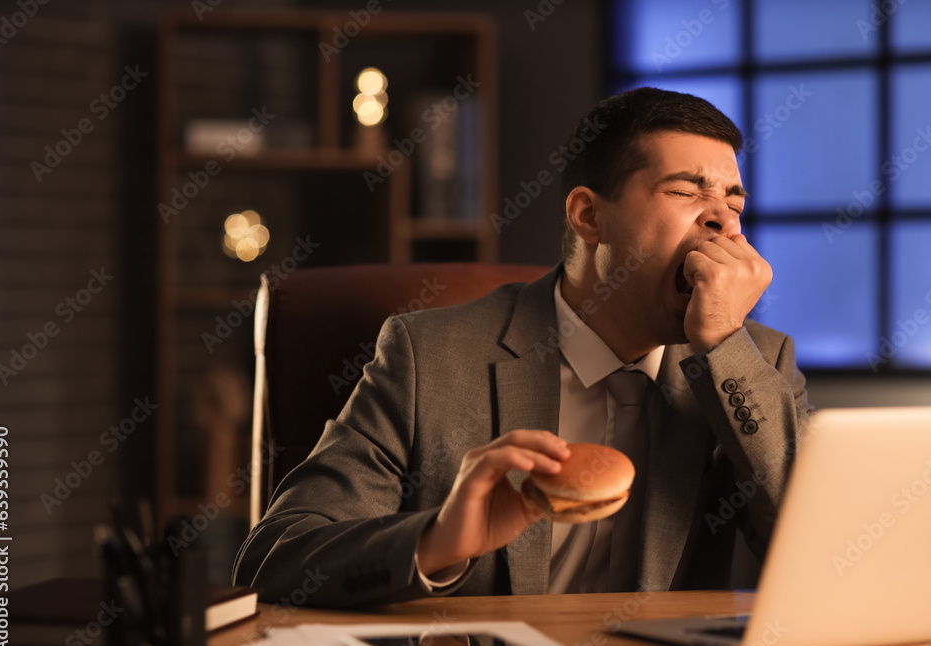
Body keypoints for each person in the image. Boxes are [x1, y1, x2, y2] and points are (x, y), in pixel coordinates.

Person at [233, 87, 813, 607]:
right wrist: (437, 542)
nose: (724, 223)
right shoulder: (427, 356)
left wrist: (724, 347)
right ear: (589, 216)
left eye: (734, 204)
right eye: (688, 190)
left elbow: (827, 551)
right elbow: (278, 557)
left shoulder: (753, 365)